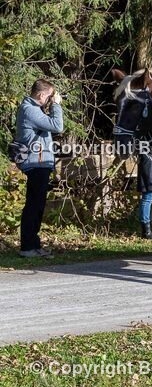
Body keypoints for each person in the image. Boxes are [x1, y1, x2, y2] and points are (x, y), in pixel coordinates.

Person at [14, 79, 65, 258]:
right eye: (50, 96)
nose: (51, 99)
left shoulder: (33, 109)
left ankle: (33, 245)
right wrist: (57, 106)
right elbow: (57, 126)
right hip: (36, 164)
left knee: (37, 205)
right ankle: (27, 247)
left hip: (41, 163)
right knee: (33, 206)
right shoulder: (30, 110)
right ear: (41, 95)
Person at [136, 152, 152, 239]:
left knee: (148, 199)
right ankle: (146, 231)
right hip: (148, 173)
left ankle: (147, 230)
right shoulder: (146, 153)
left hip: (148, 167)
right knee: (147, 199)